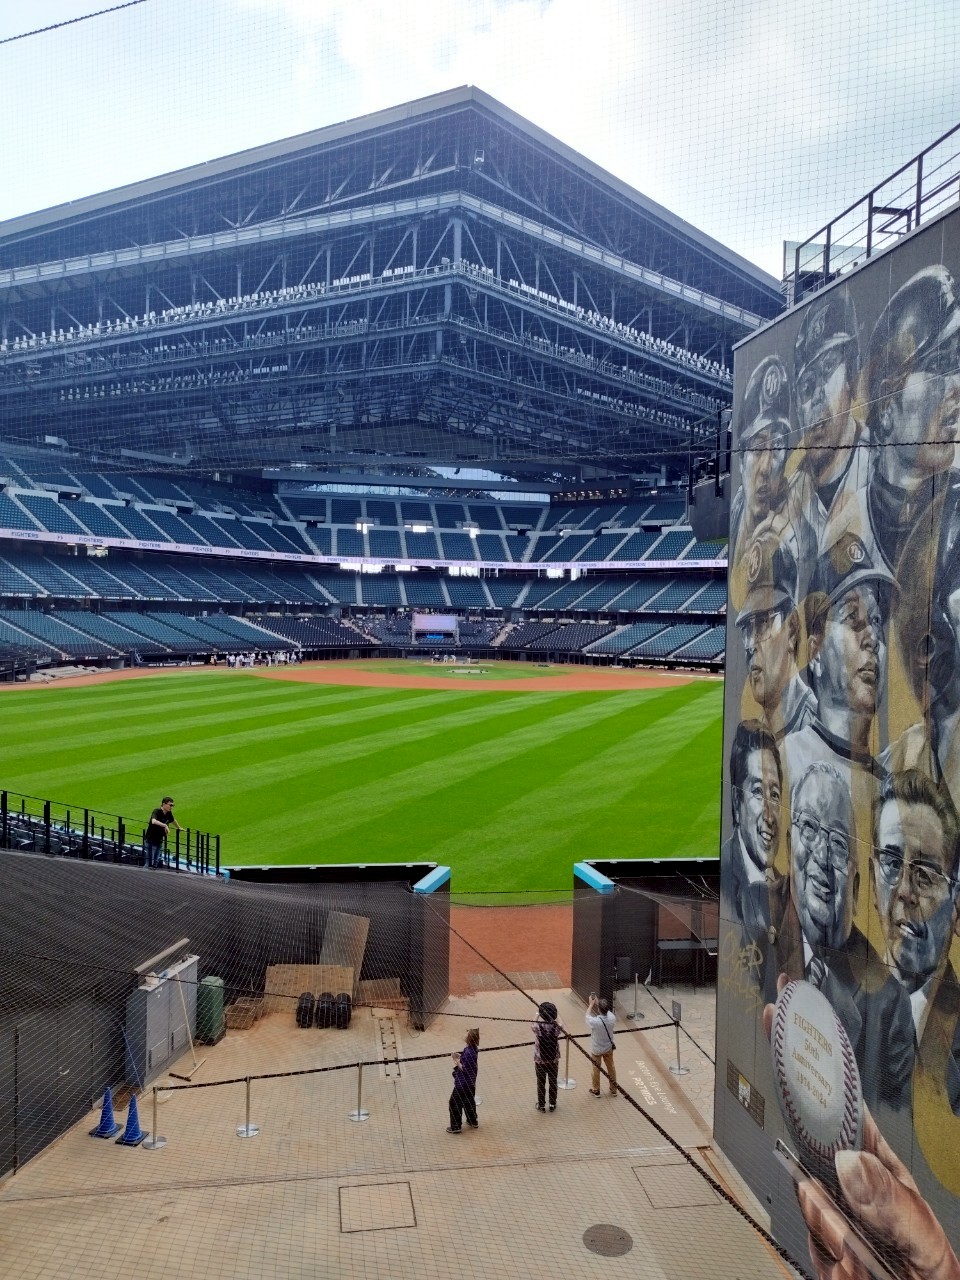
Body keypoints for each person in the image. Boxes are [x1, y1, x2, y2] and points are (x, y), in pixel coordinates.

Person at [871, 770, 960, 1114]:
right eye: (892, 863)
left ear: (956, 904)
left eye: (925, 874)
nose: (904, 890)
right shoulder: (844, 996)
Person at [733, 532, 815, 739]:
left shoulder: (815, 732)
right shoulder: (757, 733)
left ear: (793, 629)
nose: (751, 644)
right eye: (747, 628)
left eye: (763, 623)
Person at [721, 721, 783, 945]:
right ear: (737, 802)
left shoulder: (784, 892)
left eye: (774, 795)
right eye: (757, 792)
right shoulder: (724, 879)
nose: (769, 816)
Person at [532, 1000, 565, 1112]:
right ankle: (552, 1104)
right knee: (553, 1081)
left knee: (541, 1083)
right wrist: (557, 1014)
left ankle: (541, 1105)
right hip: (553, 1059)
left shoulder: (538, 1027)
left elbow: (532, 1024)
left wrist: (537, 1014)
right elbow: (561, 1024)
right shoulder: (556, 1027)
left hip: (540, 1060)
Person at [447, 1027, 479, 1133]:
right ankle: (472, 1120)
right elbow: (467, 1060)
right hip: (470, 1083)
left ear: (470, 1037)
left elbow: (464, 1068)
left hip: (463, 1084)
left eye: (467, 1033)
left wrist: (455, 1060)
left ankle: (455, 1126)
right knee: (468, 1101)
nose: (465, 1034)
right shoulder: (472, 1049)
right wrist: (459, 1055)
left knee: (454, 1102)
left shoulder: (469, 1052)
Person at [586, 994, 617, 1097]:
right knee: (611, 1068)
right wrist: (598, 1002)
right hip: (608, 1048)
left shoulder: (595, 1021)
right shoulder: (612, 1018)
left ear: (599, 1009)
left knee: (596, 1069)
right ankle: (613, 1089)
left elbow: (587, 1017)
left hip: (597, 1049)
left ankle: (596, 1090)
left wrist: (591, 1004)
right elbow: (606, 1011)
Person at [144, 796, 183, 868]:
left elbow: (173, 820)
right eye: (170, 805)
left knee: (155, 863)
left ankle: (150, 874)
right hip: (150, 841)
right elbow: (153, 821)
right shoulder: (157, 811)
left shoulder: (168, 813)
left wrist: (179, 827)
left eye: (172, 805)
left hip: (159, 840)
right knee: (149, 863)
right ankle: (143, 874)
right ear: (164, 804)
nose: (171, 807)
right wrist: (165, 825)